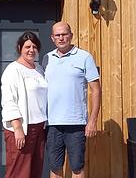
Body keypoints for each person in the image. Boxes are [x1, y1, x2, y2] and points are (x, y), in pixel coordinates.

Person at [44, 22, 101, 178]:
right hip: (52, 124)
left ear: (71, 35)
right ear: (52, 38)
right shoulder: (47, 58)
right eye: (57, 35)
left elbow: (96, 90)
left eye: (64, 34)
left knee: (77, 168)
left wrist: (93, 121)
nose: (61, 38)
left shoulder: (85, 57)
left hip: (76, 123)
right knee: (55, 168)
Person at [1, 32, 48, 178]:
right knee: (18, 173)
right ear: (20, 48)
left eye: (34, 46)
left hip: (40, 128)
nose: (31, 50)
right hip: (22, 128)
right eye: (27, 46)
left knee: (35, 171)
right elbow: (9, 101)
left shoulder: (39, 69)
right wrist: (17, 128)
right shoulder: (13, 70)